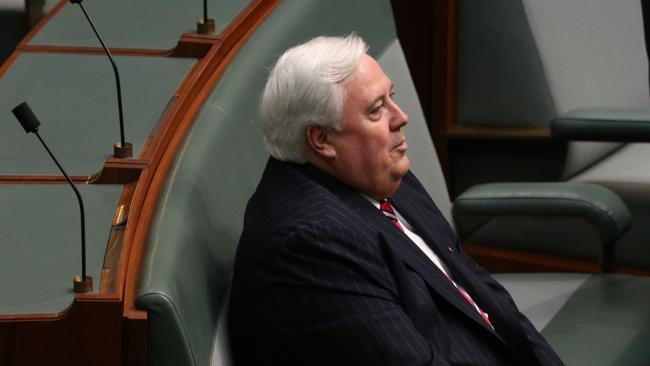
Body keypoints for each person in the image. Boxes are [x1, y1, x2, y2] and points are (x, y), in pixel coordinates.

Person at [228, 34, 564, 366]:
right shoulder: (311, 243)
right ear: (321, 139)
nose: (401, 117)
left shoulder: (378, 172)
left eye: (392, 97)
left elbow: (482, 293)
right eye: (376, 110)